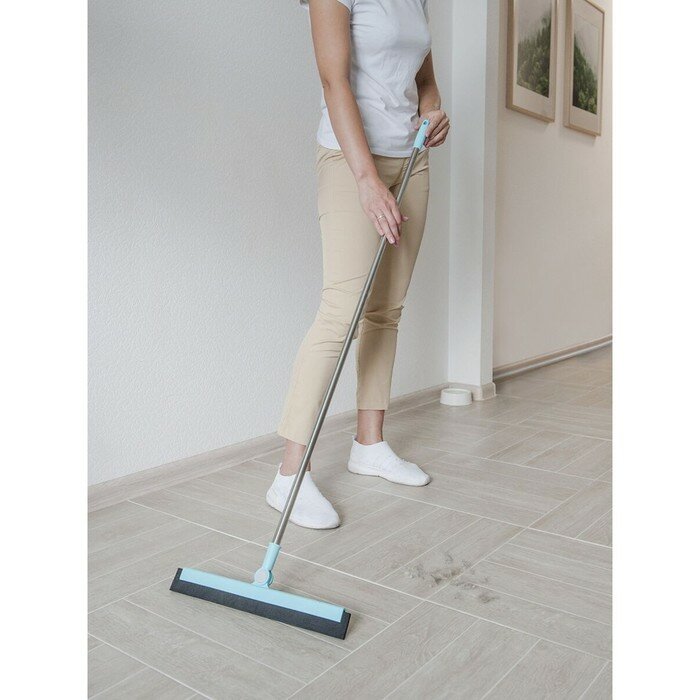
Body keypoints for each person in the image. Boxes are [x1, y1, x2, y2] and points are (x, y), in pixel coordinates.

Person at [267, 0, 450, 529]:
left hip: (411, 158)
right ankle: (289, 475)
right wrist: (367, 181)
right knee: (341, 312)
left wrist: (433, 111)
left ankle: (369, 445)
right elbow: (334, 81)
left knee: (385, 311)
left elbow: (424, 78)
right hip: (352, 162)